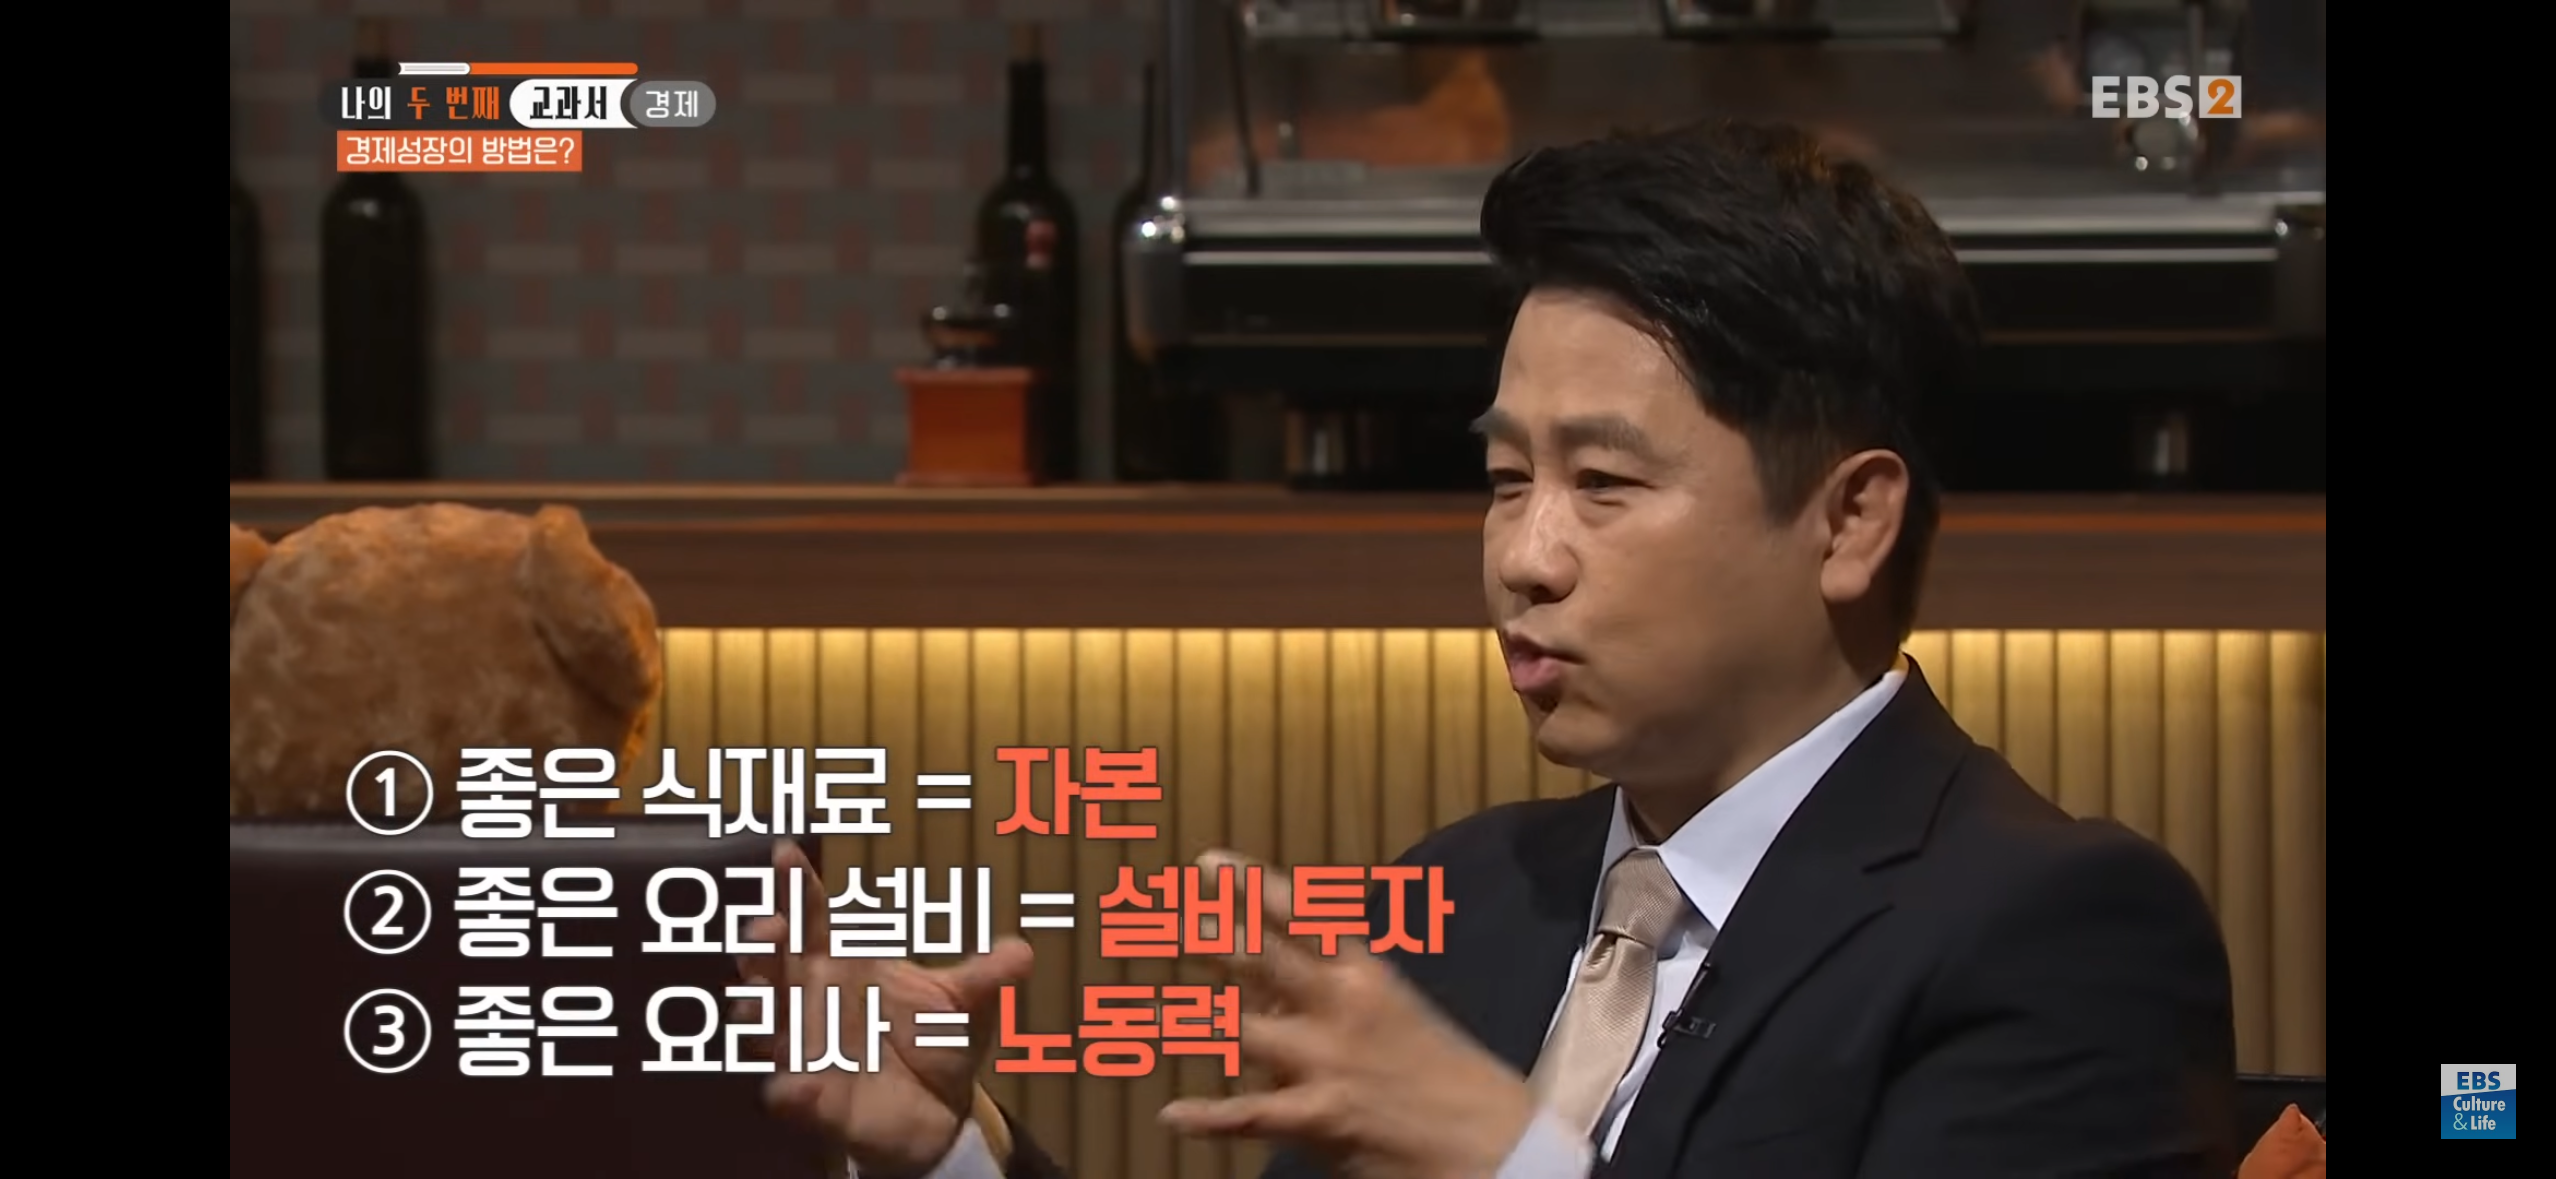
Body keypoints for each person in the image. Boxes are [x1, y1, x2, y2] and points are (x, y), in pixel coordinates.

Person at [737, 119, 2239, 1179]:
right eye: (1509, 477)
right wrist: (951, 1149)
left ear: (1848, 521)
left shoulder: (2058, 929)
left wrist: (1507, 1155)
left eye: (1606, 481)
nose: (1525, 554)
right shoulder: (1462, 897)